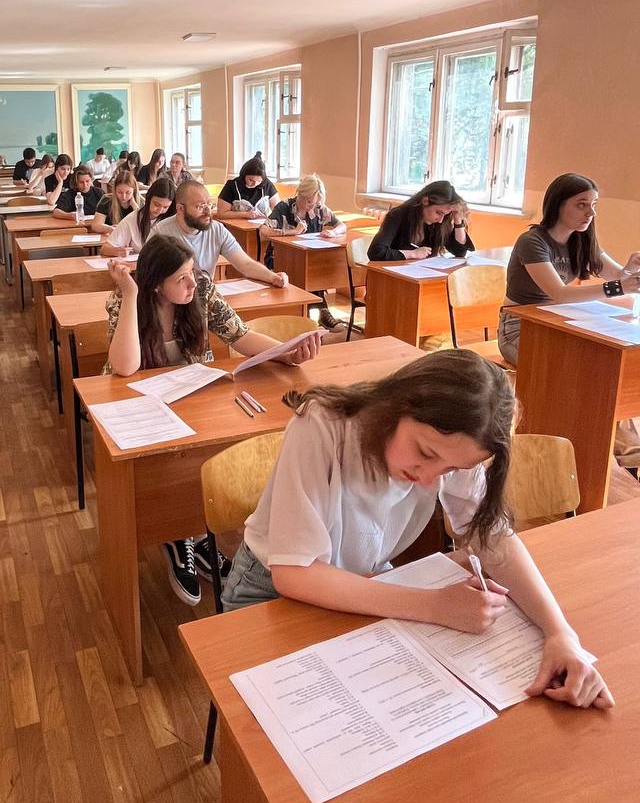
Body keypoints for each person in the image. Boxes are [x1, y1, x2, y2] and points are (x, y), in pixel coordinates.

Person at [220, 349, 612, 711]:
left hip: (369, 583)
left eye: (451, 470)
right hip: (270, 590)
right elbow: (294, 573)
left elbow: (491, 537)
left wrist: (561, 635)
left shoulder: (456, 444)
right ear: (395, 406)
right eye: (425, 453)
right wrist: (436, 606)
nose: (429, 480)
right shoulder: (322, 424)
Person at [106, 235, 324, 604]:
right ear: (156, 284)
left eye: (192, 273)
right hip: (144, 406)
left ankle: (193, 532)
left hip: (196, 397)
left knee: (207, 455)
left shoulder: (202, 290)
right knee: (167, 469)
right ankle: (179, 536)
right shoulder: (126, 299)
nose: (192, 283)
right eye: (181, 279)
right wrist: (129, 294)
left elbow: (240, 336)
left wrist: (286, 354)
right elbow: (125, 367)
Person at [497, 172, 640, 365]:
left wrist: (631, 267)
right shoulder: (532, 241)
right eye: (582, 205)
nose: (591, 213)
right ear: (558, 205)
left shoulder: (581, 241)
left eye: (594, 204)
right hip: (519, 327)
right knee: (567, 367)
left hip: (558, 320)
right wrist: (619, 287)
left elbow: (616, 276)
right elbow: (560, 294)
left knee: (600, 360)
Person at [150, 180, 289, 286]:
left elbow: (245, 264)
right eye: (199, 206)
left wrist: (273, 277)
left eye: (208, 204)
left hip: (205, 298)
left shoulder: (217, 229)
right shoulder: (160, 233)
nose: (207, 211)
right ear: (180, 209)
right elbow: (150, 278)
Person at [264, 175, 347, 330]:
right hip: (280, 258)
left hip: (308, 258)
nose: (311, 206)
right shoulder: (284, 207)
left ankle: (319, 312)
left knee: (315, 268)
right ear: (300, 195)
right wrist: (292, 232)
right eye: (309, 202)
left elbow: (342, 225)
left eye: (315, 203)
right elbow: (263, 230)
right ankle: (315, 312)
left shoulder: (319, 209)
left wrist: (334, 232)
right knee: (305, 270)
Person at [367, 181, 474, 262]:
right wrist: (413, 254)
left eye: (445, 215)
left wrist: (458, 220)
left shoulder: (439, 223)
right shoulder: (398, 215)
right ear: (425, 201)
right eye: (438, 212)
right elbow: (376, 252)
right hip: (392, 278)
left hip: (421, 278)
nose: (440, 220)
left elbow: (460, 252)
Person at [101, 177, 175, 256]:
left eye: (165, 207)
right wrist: (119, 251)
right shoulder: (132, 219)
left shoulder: (172, 221)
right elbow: (105, 249)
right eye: (156, 204)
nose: (160, 210)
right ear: (148, 199)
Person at [217, 154, 279, 219]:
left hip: (260, 224)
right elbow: (221, 214)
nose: (255, 184)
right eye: (251, 180)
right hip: (236, 224)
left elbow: (278, 209)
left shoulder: (267, 184)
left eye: (259, 181)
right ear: (244, 175)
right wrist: (245, 214)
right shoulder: (231, 185)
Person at [92, 169, 140, 234]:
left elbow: (145, 224)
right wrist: (110, 228)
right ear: (114, 190)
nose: (123, 197)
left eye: (128, 192)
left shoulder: (141, 202)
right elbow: (95, 225)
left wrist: (134, 205)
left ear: (134, 190)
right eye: (119, 192)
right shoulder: (106, 200)